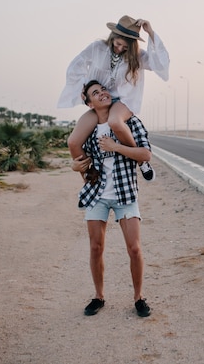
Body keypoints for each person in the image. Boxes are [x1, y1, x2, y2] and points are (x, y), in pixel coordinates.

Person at [72, 80, 152, 317]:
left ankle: (139, 298)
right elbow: (80, 160)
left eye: (103, 90)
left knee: (134, 248)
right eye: (95, 93)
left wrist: (115, 147)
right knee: (95, 247)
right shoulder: (88, 129)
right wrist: (75, 166)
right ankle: (99, 296)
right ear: (89, 103)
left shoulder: (129, 121)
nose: (102, 94)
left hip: (124, 192)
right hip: (98, 194)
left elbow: (145, 154)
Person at [58, 15, 169, 181]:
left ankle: (141, 162)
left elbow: (160, 64)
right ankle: (89, 181)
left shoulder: (137, 56)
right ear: (112, 37)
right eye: (118, 44)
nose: (120, 49)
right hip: (100, 101)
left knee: (115, 122)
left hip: (122, 102)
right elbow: (76, 65)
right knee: (73, 142)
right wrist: (82, 86)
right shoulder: (97, 47)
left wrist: (150, 32)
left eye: (125, 47)